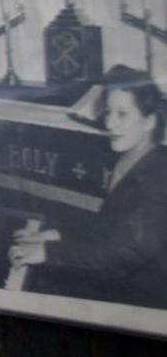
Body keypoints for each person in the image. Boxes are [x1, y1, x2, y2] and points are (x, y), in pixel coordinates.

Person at [9, 65, 167, 309]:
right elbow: (107, 225)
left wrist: (49, 252)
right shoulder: (131, 157)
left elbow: (123, 252)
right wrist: (54, 234)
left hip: (144, 299)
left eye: (122, 114)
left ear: (149, 122)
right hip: (124, 279)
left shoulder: (160, 176)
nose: (110, 124)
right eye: (108, 112)